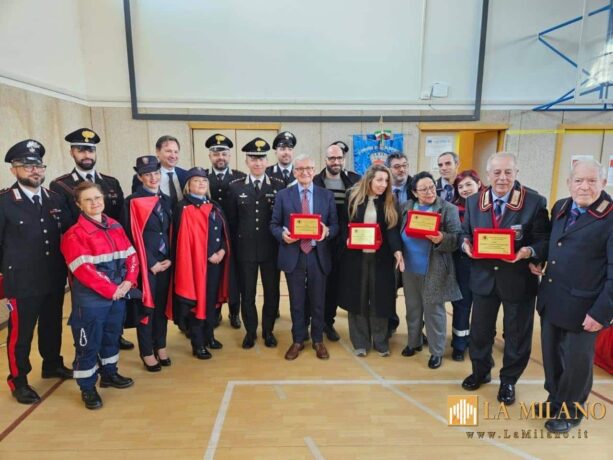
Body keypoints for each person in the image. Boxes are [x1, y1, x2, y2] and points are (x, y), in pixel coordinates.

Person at [461, 152, 550, 405]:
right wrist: (465, 245)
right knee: (479, 332)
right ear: (487, 175)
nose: (502, 178)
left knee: (517, 335)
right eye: (497, 172)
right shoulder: (473, 201)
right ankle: (480, 371)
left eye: (508, 172)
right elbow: (465, 233)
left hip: (518, 279)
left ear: (516, 173)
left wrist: (527, 252)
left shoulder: (534, 201)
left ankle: (509, 380)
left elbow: (543, 239)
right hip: (483, 279)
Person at [530, 159, 612, 433]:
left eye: (592, 181)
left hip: (586, 307)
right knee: (552, 356)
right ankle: (555, 400)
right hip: (553, 298)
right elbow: (557, 243)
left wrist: (602, 312)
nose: (584, 187)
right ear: (569, 183)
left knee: (577, 364)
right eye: (579, 180)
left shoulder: (610, 217)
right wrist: (539, 258)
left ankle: (571, 411)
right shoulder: (561, 206)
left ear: (603, 183)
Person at [0, 140, 73, 404]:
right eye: (27, 166)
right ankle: (18, 380)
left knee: (52, 326)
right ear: (14, 170)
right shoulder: (4, 202)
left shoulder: (54, 198)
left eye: (39, 166)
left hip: (53, 277)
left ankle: (52, 364)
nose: (35, 171)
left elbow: (68, 234)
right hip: (22, 281)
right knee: (21, 335)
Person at [50, 128, 133, 351]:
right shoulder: (60, 185)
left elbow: (119, 219)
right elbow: (65, 223)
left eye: (90, 150)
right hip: (84, 253)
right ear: (72, 152)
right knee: (88, 302)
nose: (86, 155)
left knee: (117, 295)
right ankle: (88, 342)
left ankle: (115, 334)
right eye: (81, 150)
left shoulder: (111, 182)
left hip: (113, 254)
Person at [60, 182, 138, 409]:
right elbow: (85, 271)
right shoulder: (74, 235)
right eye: (88, 199)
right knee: (88, 344)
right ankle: (87, 387)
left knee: (111, 336)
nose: (95, 203)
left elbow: (131, 256)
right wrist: (113, 290)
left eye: (97, 198)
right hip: (92, 301)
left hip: (118, 296)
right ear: (79, 204)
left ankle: (109, 373)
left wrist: (128, 282)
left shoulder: (115, 226)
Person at [270, 154, 339, 360]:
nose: (304, 172)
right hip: (294, 254)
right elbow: (273, 224)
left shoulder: (326, 195)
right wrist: (282, 235)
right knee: (297, 301)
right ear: (294, 172)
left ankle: (318, 340)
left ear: (314, 171)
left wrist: (327, 231)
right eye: (300, 169)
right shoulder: (283, 195)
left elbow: (335, 225)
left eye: (308, 168)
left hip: (318, 254)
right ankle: (298, 340)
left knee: (318, 300)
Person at [338, 164, 404, 356]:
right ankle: (360, 342)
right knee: (357, 298)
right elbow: (343, 223)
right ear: (369, 180)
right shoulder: (352, 197)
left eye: (386, 181)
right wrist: (346, 239)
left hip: (381, 259)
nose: (383, 184)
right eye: (379, 180)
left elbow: (392, 229)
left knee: (380, 299)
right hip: (355, 258)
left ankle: (381, 341)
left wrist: (397, 251)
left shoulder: (390, 201)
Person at [399, 171, 462, 369]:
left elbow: (457, 238)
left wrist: (442, 238)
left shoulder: (448, 209)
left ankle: (437, 351)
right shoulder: (405, 207)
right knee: (413, 308)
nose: (429, 192)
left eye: (432, 187)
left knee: (434, 312)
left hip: (434, 268)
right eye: (423, 189)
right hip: (409, 268)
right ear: (414, 192)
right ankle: (414, 342)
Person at [227, 138, 285, 349]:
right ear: (247, 161)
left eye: (261, 159)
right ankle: (250, 331)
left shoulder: (278, 185)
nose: (258, 163)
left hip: (271, 250)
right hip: (245, 251)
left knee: (272, 293)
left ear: (267, 161)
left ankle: (268, 331)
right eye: (253, 159)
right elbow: (232, 222)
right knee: (247, 294)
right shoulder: (235, 187)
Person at [173, 167, 231, 360]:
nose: (201, 184)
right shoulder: (184, 208)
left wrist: (222, 250)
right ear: (188, 186)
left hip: (216, 263)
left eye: (204, 181)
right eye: (196, 181)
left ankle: (209, 336)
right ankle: (198, 343)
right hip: (196, 264)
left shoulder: (214, 206)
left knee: (212, 301)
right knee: (198, 301)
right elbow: (184, 240)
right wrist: (207, 254)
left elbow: (223, 233)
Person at [123, 156, 173, 372]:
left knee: (161, 307)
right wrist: (151, 262)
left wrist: (171, 258)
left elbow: (171, 232)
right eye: (147, 174)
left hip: (166, 262)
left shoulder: (166, 200)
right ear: (140, 177)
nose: (153, 178)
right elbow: (129, 236)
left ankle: (160, 345)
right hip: (146, 265)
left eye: (156, 173)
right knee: (147, 309)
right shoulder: (132, 201)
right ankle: (146, 351)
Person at [313, 142, 361, 341]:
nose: (336, 161)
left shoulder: (355, 180)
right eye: (332, 158)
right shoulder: (315, 181)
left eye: (339, 158)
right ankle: (311, 322)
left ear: (344, 159)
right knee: (315, 285)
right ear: (325, 160)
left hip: (344, 242)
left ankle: (328, 322)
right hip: (319, 241)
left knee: (334, 285)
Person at [204, 133, 246, 329]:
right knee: (215, 274)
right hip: (212, 237)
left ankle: (234, 312)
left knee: (236, 276)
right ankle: (215, 311)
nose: (220, 157)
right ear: (210, 156)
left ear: (229, 156)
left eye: (223, 154)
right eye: (215, 154)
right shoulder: (203, 178)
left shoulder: (240, 178)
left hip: (236, 236)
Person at [449, 169, 483, 361]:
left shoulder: (490, 207)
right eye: (460, 186)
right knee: (462, 304)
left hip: (486, 264)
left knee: (483, 307)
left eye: (468, 184)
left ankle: (480, 343)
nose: (464, 189)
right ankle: (459, 344)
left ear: (479, 184)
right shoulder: (453, 208)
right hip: (462, 262)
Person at [131, 135, 187, 203]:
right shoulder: (143, 177)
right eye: (168, 151)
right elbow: (136, 203)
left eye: (176, 152)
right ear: (157, 152)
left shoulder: (186, 175)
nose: (173, 156)